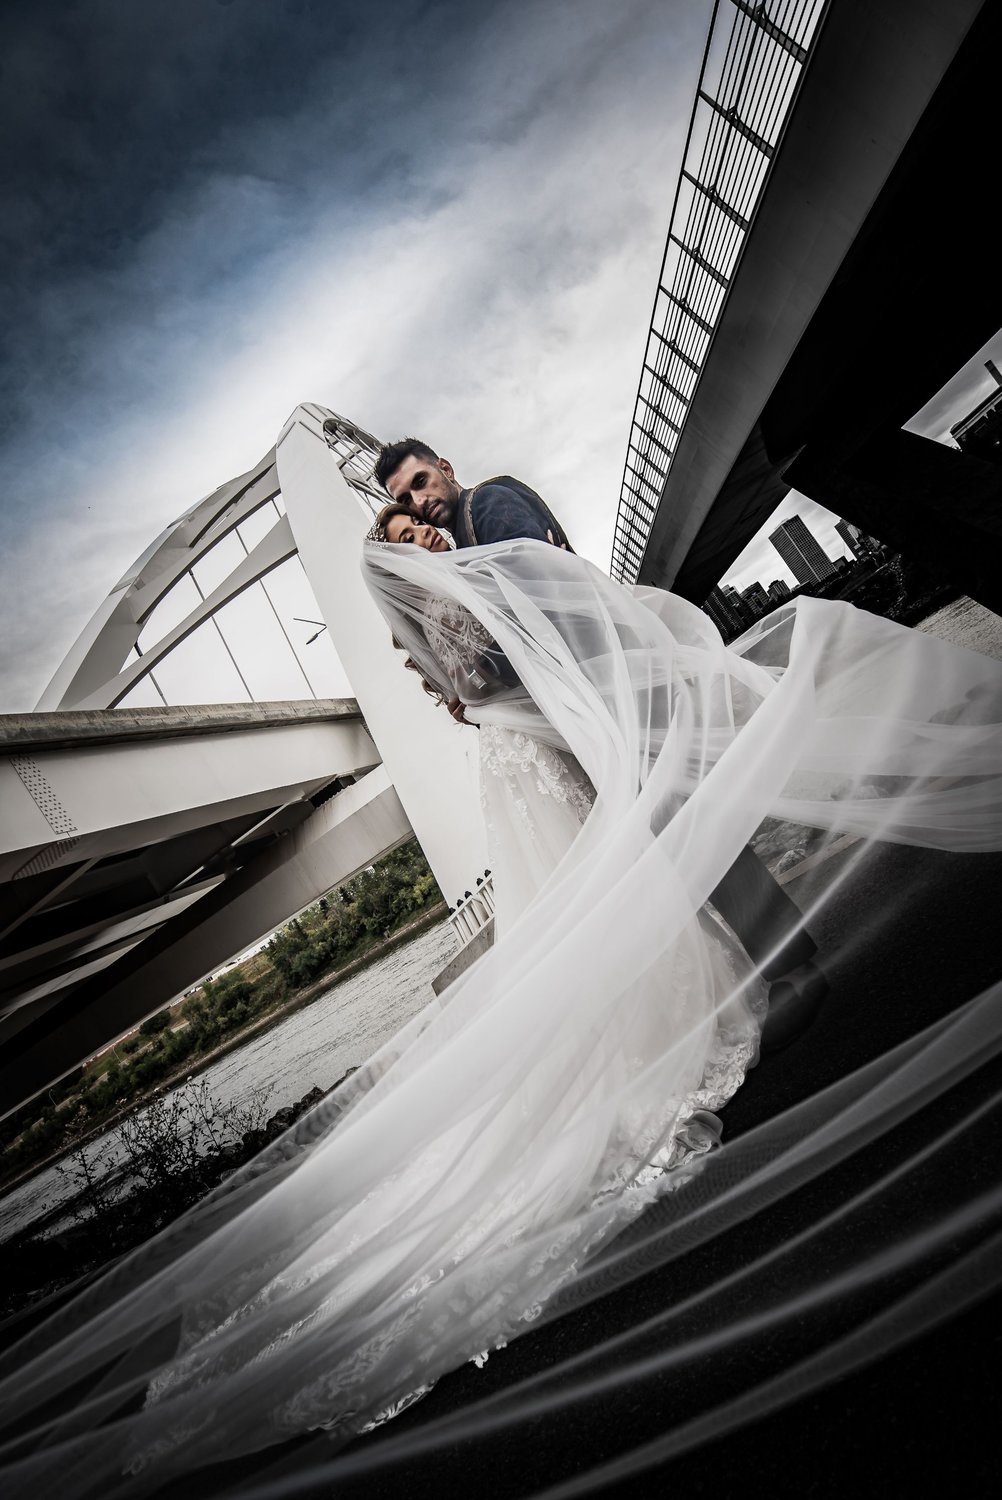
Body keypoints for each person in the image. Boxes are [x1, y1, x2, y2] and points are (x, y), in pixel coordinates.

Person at [1, 520, 1002, 1497]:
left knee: (585, 909)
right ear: (405, 555)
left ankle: (679, 1000)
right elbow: (481, 676)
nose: (429, 530)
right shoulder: (463, 591)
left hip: (519, 748)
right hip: (530, 743)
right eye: (412, 524)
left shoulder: (446, 601)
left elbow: (458, 687)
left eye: (421, 516)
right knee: (594, 906)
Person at [372, 438, 827, 1050]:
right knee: (674, 834)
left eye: (421, 482)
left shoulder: (491, 508)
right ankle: (768, 968)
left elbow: (553, 609)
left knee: (687, 823)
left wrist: (488, 679)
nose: (420, 501)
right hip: (593, 705)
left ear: (445, 468)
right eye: (405, 498)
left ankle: (792, 968)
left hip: (611, 694)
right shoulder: (465, 544)